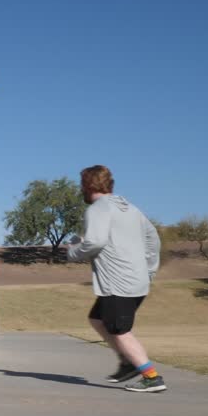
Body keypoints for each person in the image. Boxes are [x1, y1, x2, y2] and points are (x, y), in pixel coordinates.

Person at [67, 165, 164, 392]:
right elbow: (153, 240)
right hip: (135, 280)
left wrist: (73, 251)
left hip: (118, 282)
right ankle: (128, 361)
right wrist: (149, 270)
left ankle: (152, 377)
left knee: (119, 330)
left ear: (88, 185)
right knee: (97, 318)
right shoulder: (130, 208)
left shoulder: (98, 208)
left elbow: (95, 242)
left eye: (82, 185)